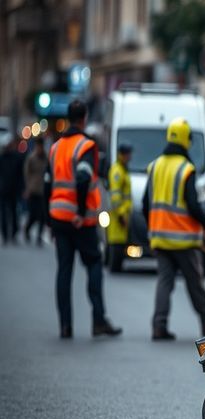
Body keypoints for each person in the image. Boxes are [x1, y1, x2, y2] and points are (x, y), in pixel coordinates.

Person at [142, 117, 205, 340]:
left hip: (159, 237)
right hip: (182, 239)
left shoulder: (155, 166)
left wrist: (153, 225)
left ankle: (158, 325)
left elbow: (145, 203)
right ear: (183, 139)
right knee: (195, 282)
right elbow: (192, 203)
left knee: (164, 282)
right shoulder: (185, 168)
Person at [48, 99, 122, 339]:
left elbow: (48, 183)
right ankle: (99, 320)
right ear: (84, 118)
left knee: (64, 271)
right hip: (80, 221)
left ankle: (65, 326)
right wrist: (80, 212)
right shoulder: (86, 146)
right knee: (93, 264)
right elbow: (82, 178)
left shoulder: (56, 147)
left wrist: (49, 218)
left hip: (58, 216)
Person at [106, 142, 133, 270]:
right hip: (118, 217)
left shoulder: (122, 169)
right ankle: (115, 266)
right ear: (122, 155)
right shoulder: (117, 171)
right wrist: (121, 214)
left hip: (122, 215)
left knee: (120, 244)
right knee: (116, 243)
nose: (130, 157)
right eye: (128, 154)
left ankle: (116, 265)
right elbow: (116, 197)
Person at [23, 137, 50, 246]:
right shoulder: (31, 158)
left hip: (43, 191)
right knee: (33, 215)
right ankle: (27, 229)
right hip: (33, 190)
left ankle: (39, 236)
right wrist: (28, 188)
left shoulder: (46, 158)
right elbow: (26, 174)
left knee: (42, 215)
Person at [0, 133, 23, 245]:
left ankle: (13, 233)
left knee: (14, 213)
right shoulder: (2, 158)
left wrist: (21, 188)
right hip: (4, 190)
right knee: (4, 213)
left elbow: (20, 174)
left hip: (13, 189)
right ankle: (5, 234)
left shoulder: (17, 157)